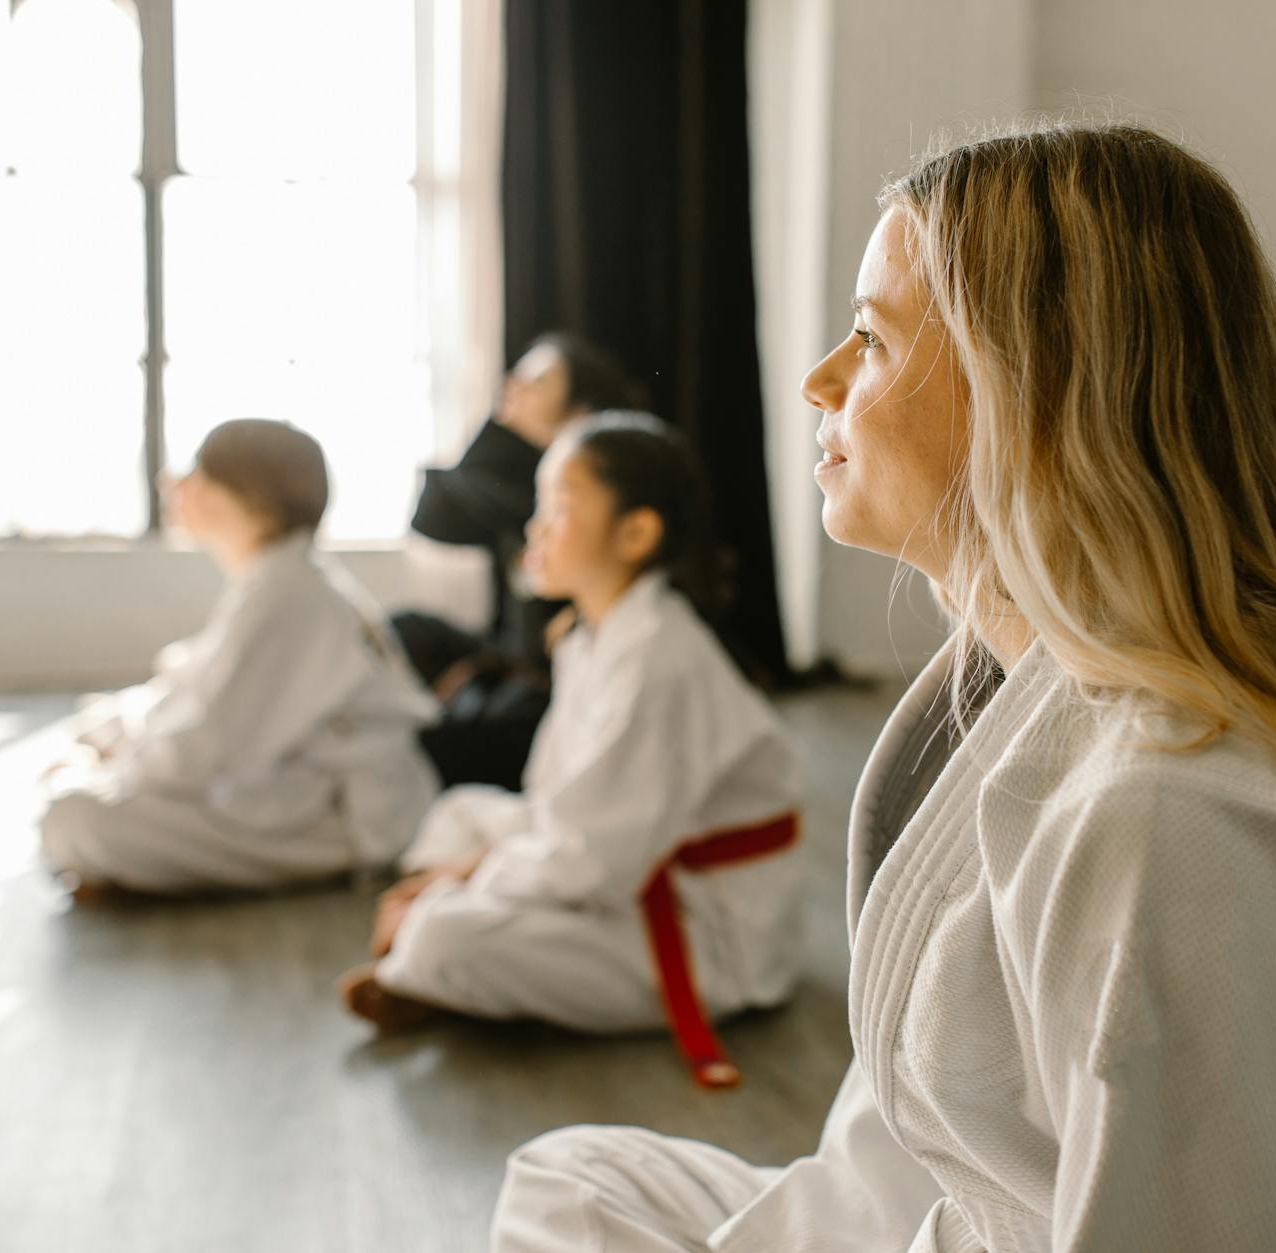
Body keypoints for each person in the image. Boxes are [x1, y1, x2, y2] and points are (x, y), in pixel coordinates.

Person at [489, 124, 1276, 1250]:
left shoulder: (1179, 813)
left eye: (869, 339)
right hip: (956, 1216)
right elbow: (945, 1142)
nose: (818, 380)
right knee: (572, 1178)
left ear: (1031, 389)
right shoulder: (1028, 694)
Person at [341, 413, 802, 1087]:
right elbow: (560, 803)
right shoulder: (594, 635)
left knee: (445, 934)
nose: (535, 527)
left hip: (707, 932)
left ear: (636, 532)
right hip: (625, 863)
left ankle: (433, 965)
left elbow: (593, 860)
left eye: (558, 508)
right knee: (461, 812)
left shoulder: (658, 659)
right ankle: (443, 958)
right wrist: (476, 862)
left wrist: (461, 879)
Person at [40, 419, 439, 895]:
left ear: (242, 495)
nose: (176, 485)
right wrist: (116, 737)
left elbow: (207, 745)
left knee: (76, 818)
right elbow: (192, 692)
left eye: (198, 473)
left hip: (342, 819)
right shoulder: (280, 578)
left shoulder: (289, 592)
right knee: (91, 751)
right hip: (297, 792)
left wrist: (115, 767)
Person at [394, 332, 647, 791]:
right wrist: (498, 421)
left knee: (430, 749)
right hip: (513, 657)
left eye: (538, 379)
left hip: (554, 681)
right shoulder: (521, 476)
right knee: (404, 628)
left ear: (581, 404)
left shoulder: (603, 492)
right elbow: (433, 518)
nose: (514, 384)